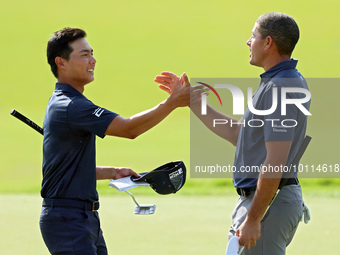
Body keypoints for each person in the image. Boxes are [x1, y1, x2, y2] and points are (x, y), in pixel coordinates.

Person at [155, 12, 310, 255]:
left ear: (268, 43)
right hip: (265, 202)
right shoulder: (276, 82)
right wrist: (194, 101)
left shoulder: (282, 85)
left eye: (253, 36)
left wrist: (253, 218)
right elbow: (241, 134)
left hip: (269, 203)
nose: (249, 42)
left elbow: (275, 162)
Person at [40, 27, 190, 255]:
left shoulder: (69, 102)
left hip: (83, 217)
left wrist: (112, 171)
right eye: (84, 55)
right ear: (61, 63)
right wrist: (171, 103)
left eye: (92, 53)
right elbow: (129, 129)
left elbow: (67, 169)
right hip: (68, 219)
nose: (93, 60)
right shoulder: (72, 106)